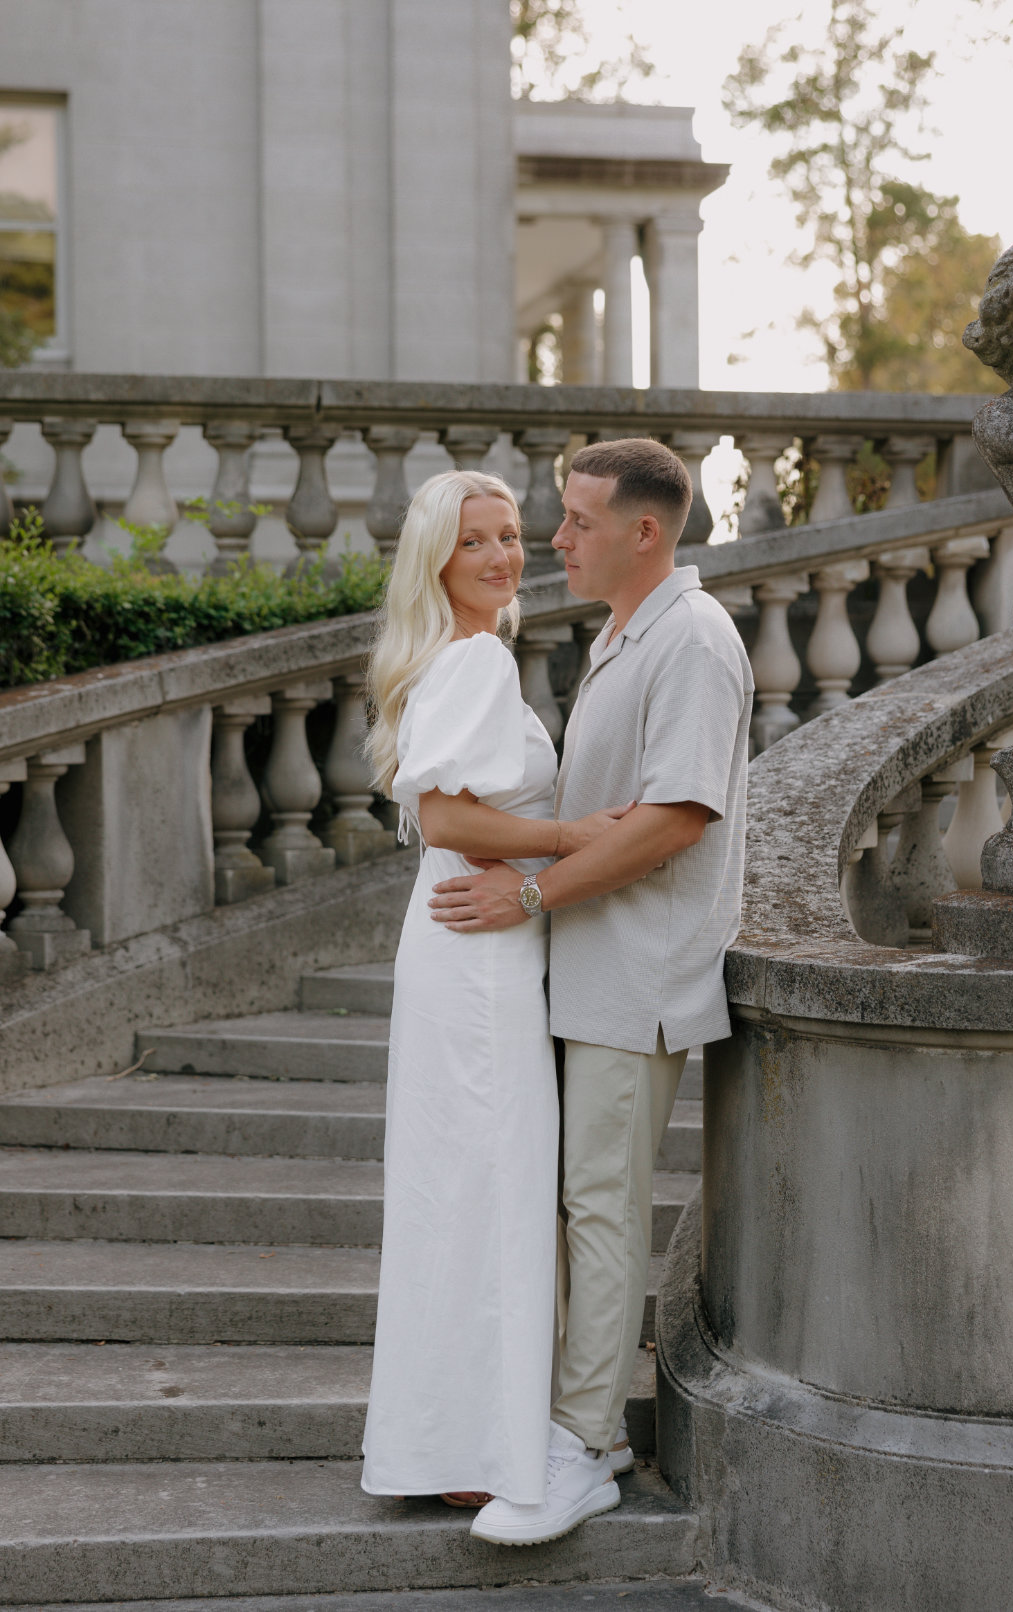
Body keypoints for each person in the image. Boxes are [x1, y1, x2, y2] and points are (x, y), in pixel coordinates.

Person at [428, 438, 753, 1547]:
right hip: (583, 966)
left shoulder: (695, 642)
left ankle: (584, 1449)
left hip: (637, 974)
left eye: (575, 520)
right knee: (573, 1206)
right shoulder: (623, 634)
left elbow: (670, 822)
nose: (552, 539)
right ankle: (570, 1427)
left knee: (601, 1208)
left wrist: (530, 894)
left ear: (645, 530)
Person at [360, 469, 628, 1512]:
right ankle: (479, 1456)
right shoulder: (470, 658)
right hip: (474, 954)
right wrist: (567, 840)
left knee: (463, 1197)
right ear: (438, 559)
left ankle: (452, 1447)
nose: (503, 556)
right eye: (477, 540)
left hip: (468, 946)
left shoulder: (464, 656)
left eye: (513, 535)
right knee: (488, 1196)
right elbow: (449, 818)